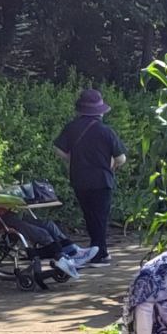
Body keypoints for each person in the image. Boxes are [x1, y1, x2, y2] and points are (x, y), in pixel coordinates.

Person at [0, 145, 98, 280]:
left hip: (0, 216)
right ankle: (61, 258)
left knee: (48, 225)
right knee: (41, 232)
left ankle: (73, 252)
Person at [53, 88, 127, 267]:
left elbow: (58, 149)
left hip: (79, 179)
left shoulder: (71, 128)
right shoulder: (106, 131)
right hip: (102, 180)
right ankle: (99, 254)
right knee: (100, 217)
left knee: (90, 216)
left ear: (80, 110)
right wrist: (112, 165)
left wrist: (72, 158)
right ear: (100, 112)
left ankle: (99, 251)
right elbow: (121, 158)